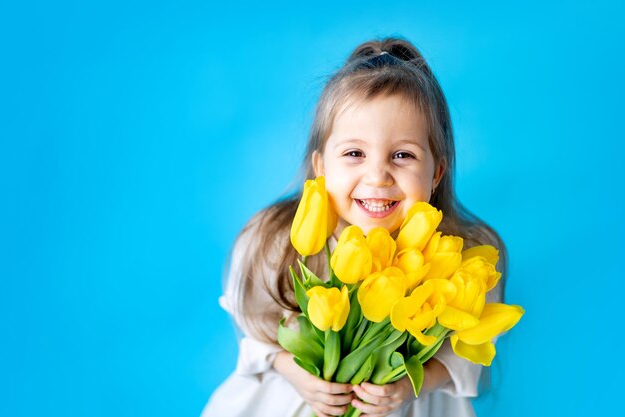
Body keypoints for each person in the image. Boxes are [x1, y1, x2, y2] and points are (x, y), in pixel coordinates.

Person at [200, 37, 506, 417]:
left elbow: (465, 359)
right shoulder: (276, 241)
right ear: (322, 166)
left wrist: (412, 385)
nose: (378, 176)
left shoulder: (463, 258)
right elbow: (256, 336)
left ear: (436, 173)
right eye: (354, 153)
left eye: (402, 155)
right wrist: (297, 373)